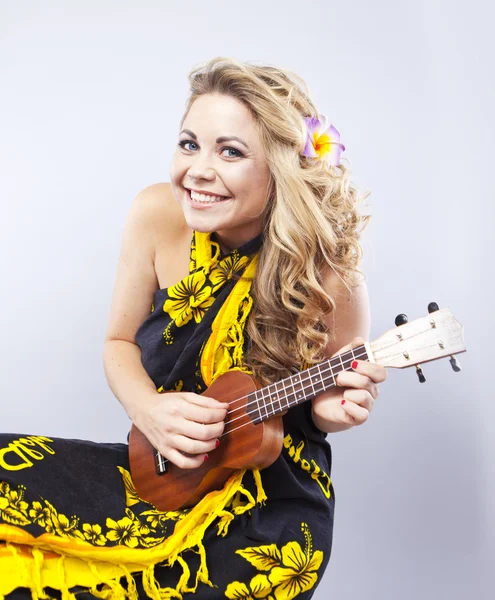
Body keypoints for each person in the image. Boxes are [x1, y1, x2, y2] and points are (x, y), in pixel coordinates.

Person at [0, 56, 387, 599]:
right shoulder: (156, 213)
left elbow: (329, 404)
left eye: (230, 151)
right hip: (169, 472)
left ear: (281, 167)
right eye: (189, 144)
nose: (197, 170)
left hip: (266, 509)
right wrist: (148, 410)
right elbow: (117, 343)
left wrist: (333, 412)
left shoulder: (330, 273)